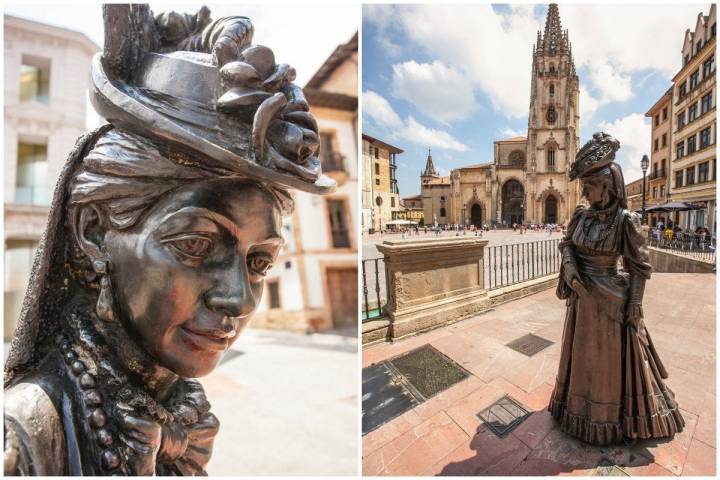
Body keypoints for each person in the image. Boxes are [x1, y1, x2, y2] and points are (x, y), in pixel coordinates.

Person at [3, 5, 336, 476]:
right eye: (195, 245)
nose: (238, 300)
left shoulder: (177, 409)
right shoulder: (19, 442)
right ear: (94, 231)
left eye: (259, 262)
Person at [549, 132, 684, 446]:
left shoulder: (626, 221)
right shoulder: (581, 216)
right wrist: (570, 270)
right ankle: (575, 410)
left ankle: (606, 420)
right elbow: (567, 245)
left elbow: (639, 267)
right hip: (582, 300)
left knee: (606, 362)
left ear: (607, 187)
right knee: (582, 358)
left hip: (612, 301)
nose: (583, 192)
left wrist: (635, 305)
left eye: (589, 187)